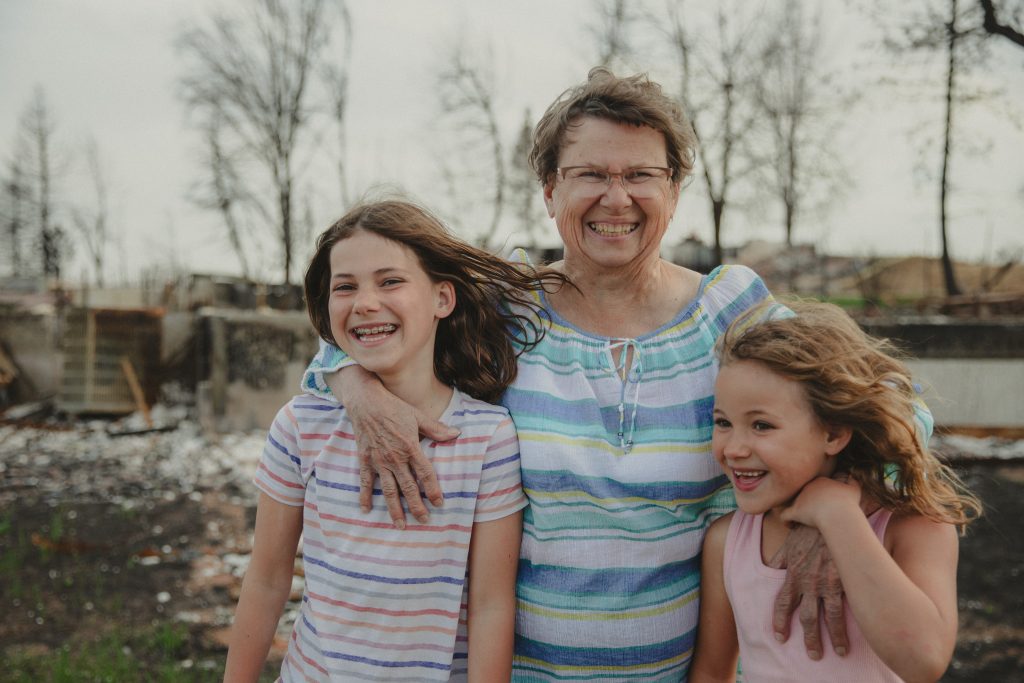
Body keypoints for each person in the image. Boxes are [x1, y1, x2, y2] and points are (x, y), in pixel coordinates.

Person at [301, 68, 907, 679]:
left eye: (641, 175)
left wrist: (836, 501)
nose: (616, 199)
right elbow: (355, 339)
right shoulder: (503, 307)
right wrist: (358, 390)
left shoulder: (730, 315)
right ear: (548, 190)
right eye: (589, 174)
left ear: (673, 190)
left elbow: (892, 406)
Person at [224, 199, 565, 681]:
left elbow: (490, 605)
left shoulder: (487, 438)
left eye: (390, 281)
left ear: (442, 299)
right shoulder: (301, 425)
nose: (364, 302)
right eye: (345, 287)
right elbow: (266, 579)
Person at [689, 301, 980, 683]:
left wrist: (836, 515)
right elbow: (712, 673)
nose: (733, 448)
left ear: (834, 433)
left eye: (761, 425)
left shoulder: (913, 528)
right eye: (723, 422)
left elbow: (923, 660)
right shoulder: (726, 542)